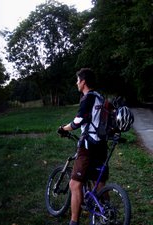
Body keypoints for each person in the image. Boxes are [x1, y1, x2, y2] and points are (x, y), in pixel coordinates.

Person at [56, 68, 108, 225]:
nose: (76, 83)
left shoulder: (88, 98)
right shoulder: (101, 98)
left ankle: (73, 222)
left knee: (75, 184)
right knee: (99, 182)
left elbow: (78, 121)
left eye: (78, 80)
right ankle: (105, 213)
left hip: (88, 146)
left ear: (83, 82)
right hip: (102, 145)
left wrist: (63, 128)